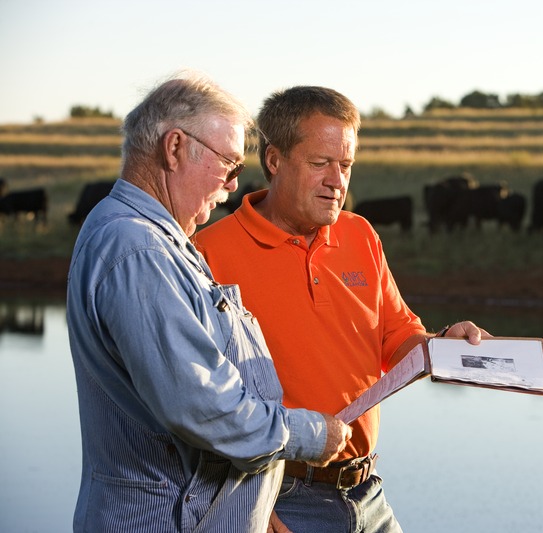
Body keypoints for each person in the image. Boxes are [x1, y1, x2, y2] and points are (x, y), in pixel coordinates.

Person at [194, 86, 490, 532]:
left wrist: (439, 345)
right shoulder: (209, 253)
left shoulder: (360, 234)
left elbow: (397, 338)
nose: (338, 181)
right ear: (274, 161)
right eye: (320, 164)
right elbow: (198, 401)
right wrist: (257, 512)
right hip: (279, 495)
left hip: (367, 491)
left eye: (345, 165)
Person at [66, 72, 351, 533]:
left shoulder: (155, 240)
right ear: (175, 148)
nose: (233, 187)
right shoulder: (139, 250)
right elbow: (202, 407)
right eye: (229, 165)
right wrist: (310, 434)